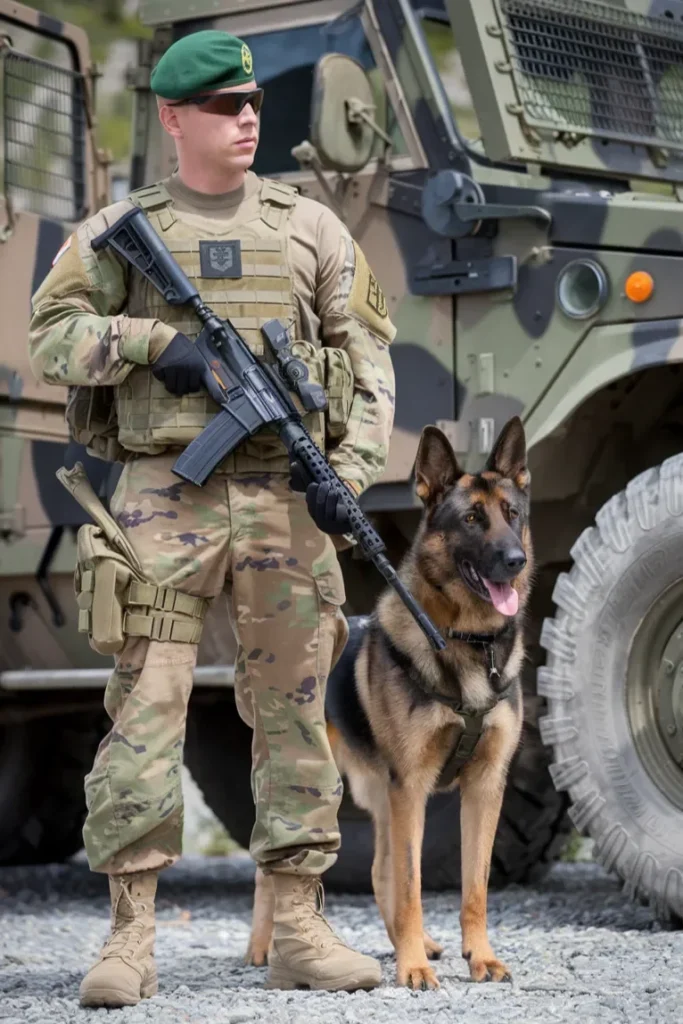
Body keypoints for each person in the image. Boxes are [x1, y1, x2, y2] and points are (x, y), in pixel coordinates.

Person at [28, 29, 396, 1007]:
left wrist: (347, 474)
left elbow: (365, 358)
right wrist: (155, 344)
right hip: (164, 497)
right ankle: (129, 935)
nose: (245, 120)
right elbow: (49, 339)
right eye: (225, 106)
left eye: (253, 106)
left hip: (287, 498)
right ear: (173, 116)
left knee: (295, 716)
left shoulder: (309, 226)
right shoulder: (117, 229)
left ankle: (299, 925)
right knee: (143, 708)